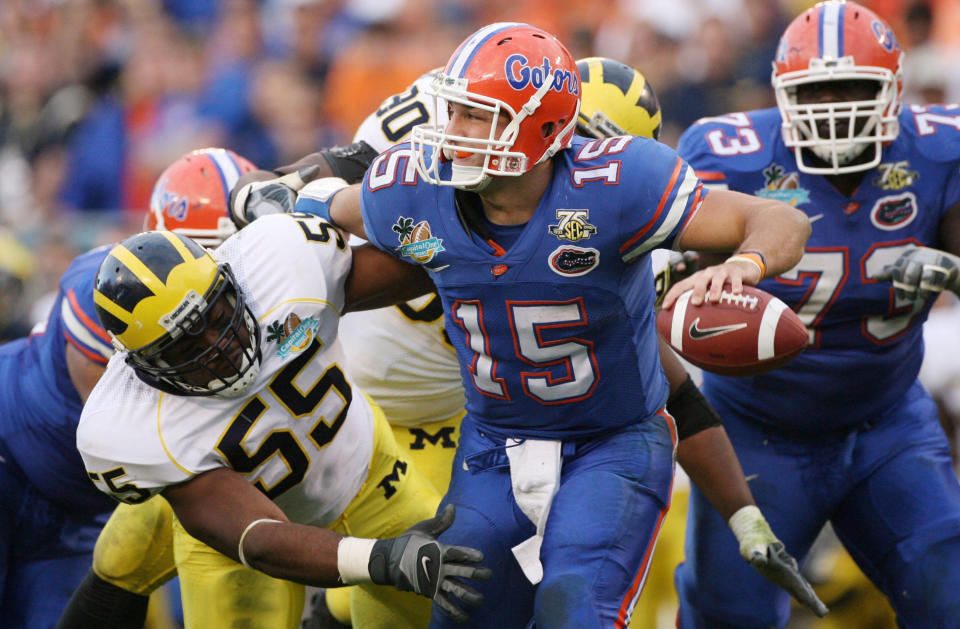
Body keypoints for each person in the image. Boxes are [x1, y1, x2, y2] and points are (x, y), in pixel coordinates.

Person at [288, 22, 814, 628]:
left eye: (474, 116)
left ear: (541, 128)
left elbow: (779, 221)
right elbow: (314, 204)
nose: (450, 133)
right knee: (463, 612)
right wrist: (263, 205)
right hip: (490, 446)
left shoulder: (620, 189)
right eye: (452, 111)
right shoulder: (412, 187)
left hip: (610, 444)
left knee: (576, 609)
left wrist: (744, 266)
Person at [672, 2, 960, 627]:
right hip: (754, 429)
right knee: (727, 617)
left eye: (853, 87)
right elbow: (686, 287)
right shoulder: (731, 153)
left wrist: (954, 273)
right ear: (780, 91)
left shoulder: (941, 149)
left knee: (949, 594)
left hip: (887, 423)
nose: (834, 105)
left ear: (893, 90)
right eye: (815, 89)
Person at [73, 209, 492, 629]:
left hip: (373, 476)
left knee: (463, 601)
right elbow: (257, 538)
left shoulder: (282, 265)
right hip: (240, 548)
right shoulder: (135, 426)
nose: (218, 347)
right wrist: (381, 558)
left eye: (218, 317)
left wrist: (344, 198)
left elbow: (430, 263)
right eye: (186, 349)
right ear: (147, 365)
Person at [58, 147, 329, 629]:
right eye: (202, 250)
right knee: (121, 558)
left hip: (307, 448)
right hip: (201, 464)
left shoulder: (287, 268)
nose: (199, 310)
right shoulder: (120, 300)